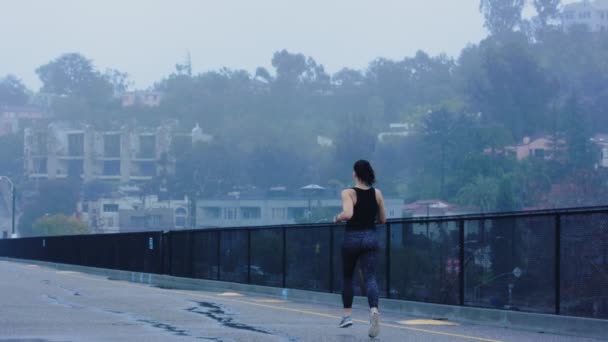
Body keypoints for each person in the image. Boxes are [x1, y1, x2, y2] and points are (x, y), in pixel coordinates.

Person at [333, 160, 386, 338]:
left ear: (355, 173)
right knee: (370, 277)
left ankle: (347, 315)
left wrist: (337, 217)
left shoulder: (348, 192)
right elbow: (383, 219)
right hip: (370, 238)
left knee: (348, 276)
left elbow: (348, 214)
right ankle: (373, 311)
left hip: (352, 239)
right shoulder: (377, 194)